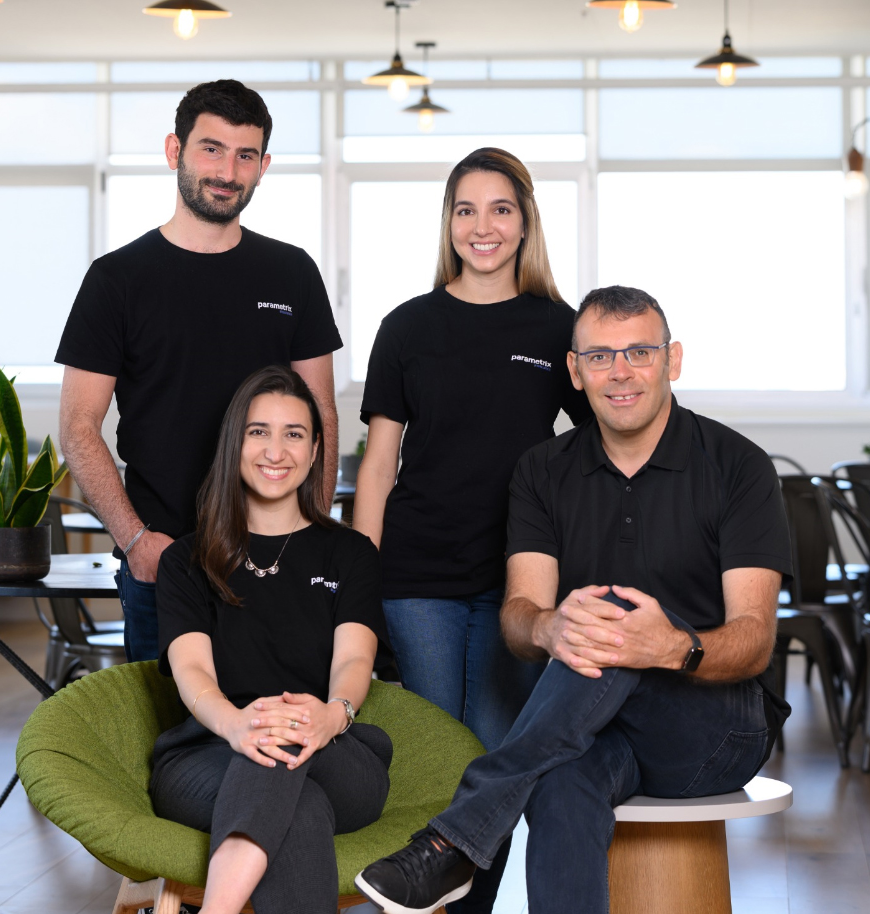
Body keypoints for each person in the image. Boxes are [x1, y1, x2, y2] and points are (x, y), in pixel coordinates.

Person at [354, 285, 793, 914]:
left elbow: (754, 639)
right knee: (560, 779)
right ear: (574, 372)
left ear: (672, 361)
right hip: (593, 728)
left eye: (639, 353)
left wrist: (670, 646)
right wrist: (549, 629)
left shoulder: (737, 466)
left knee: (608, 615)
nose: (620, 373)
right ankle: (457, 844)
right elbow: (518, 614)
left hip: (713, 727)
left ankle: (453, 842)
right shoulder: (541, 470)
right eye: (599, 357)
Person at [353, 147, 592, 912]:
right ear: (448, 223)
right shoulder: (407, 326)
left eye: (499, 209)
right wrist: (357, 583)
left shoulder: (558, 327)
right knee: (432, 756)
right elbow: (378, 463)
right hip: (415, 575)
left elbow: (598, 451)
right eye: (465, 210)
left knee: (490, 765)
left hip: (517, 584)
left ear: (524, 223)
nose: (481, 227)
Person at [56, 79, 342, 663]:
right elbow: (78, 428)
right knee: (164, 745)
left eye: (244, 156)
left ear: (264, 166)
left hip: (273, 558)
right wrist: (136, 542)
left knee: (274, 733)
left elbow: (322, 413)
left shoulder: (292, 273)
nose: (227, 171)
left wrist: (309, 531)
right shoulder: (117, 281)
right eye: (211, 148)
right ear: (174, 151)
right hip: (163, 559)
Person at [150, 365, 391, 914]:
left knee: (283, 736)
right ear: (234, 443)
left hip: (333, 750)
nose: (275, 451)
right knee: (292, 796)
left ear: (314, 452)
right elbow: (193, 673)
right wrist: (238, 724)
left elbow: (356, 655)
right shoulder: (185, 560)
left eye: (294, 434)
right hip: (209, 754)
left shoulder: (350, 555)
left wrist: (334, 715)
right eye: (258, 431)